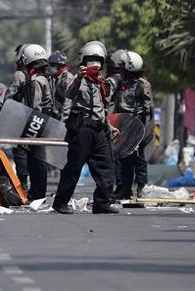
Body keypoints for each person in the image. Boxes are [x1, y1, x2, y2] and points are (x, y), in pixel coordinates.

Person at [52, 40, 119, 214]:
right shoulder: (77, 79)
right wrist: (80, 77)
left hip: (99, 130)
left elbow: (102, 108)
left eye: (97, 61)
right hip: (82, 130)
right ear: (83, 62)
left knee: (106, 167)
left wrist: (109, 126)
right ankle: (60, 202)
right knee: (73, 168)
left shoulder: (102, 83)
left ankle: (102, 203)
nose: (94, 64)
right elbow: (70, 94)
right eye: (90, 60)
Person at [12, 44, 51, 200]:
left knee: (23, 153)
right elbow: (48, 102)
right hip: (44, 120)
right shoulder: (46, 77)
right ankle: (38, 192)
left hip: (29, 119)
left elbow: (10, 97)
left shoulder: (25, 76)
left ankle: (26, 189)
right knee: (39, 156)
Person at [112, 51, 154, 199]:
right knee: (125, 158)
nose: (120, 69)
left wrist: (143, 132)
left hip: (138, 125)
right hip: (123, 125)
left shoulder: (143, 85)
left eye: (123, 66)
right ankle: (125, 189)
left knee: (140, 159)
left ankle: (141, 188)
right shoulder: (121, 83)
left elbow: (147, 109)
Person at [47, 51, 75, 120]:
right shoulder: (56, 78)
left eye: (53, 65)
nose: (51, 67)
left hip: (66, 117)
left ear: (60, 66)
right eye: (50, 65)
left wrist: (64, 120)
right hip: (56, 115)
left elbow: (68, 101)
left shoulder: (67, 77)